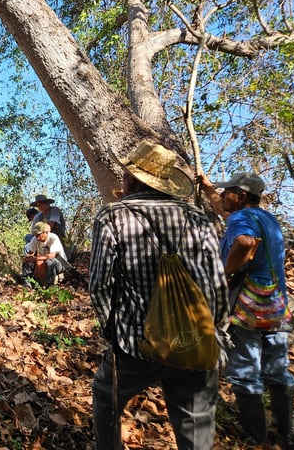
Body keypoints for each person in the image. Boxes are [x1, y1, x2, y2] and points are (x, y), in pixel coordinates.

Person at [89, 140, 228, 450]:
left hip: (135, 342)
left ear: (132, 179)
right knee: (196, 423)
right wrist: (216, 331)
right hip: (196, 340)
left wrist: (111, 329)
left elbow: (99, 285)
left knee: (106, 398)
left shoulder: (112, 216)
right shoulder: (199, 218)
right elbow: (217, 284)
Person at [199, 172, 294, 447]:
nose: (223, 196)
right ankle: (286, 434)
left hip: (248, 307)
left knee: (245, 372)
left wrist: (225, 273)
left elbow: (244, 242)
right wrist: (208, 187)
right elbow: (223, 209)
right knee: (278, 371)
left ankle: (256, 437)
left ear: (240, 196)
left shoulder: (241, 219)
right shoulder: (267, 219)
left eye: (227, 191)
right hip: (275, 305)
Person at [21, 221, 66, 287]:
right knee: (26, 262)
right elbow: (30, 253)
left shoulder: (53, 238)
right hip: (43, 263)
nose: (37, 237)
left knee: (50, 262)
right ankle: (28, 285)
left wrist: (35, 258)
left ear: (46, 232)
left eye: (39, 234)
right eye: (36, 234)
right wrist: (27, 258)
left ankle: (50, 286)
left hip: (59, 263)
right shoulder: (35, 239)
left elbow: (52, 256)